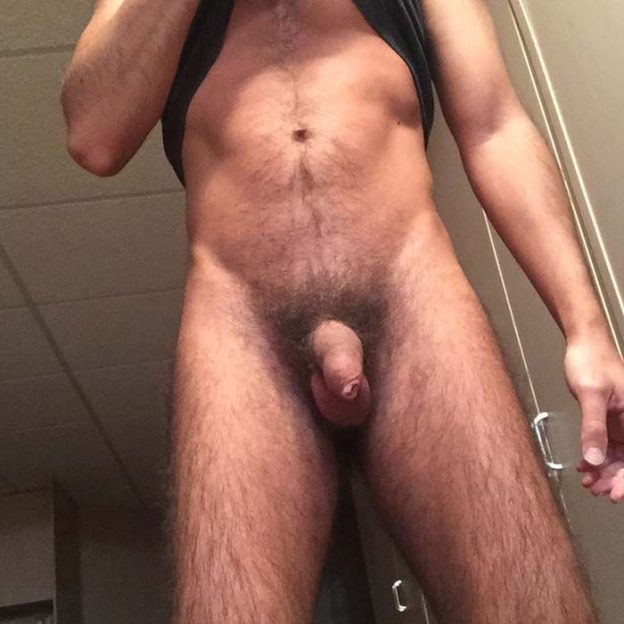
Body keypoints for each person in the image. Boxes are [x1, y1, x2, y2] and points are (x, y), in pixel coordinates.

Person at [60, 0, 624, 621]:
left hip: (413, 296)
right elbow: (94, 136)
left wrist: (586, 327)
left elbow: (495, 127)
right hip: (240, 322)